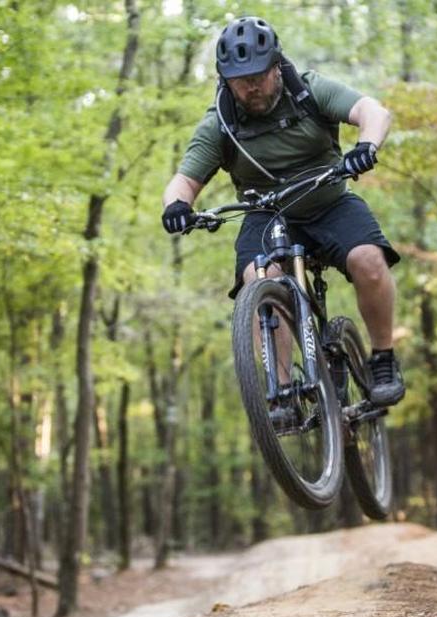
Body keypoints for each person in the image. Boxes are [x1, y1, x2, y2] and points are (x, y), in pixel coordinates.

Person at [160, 16, 404, 408]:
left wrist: (366, 146)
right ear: (226, 80)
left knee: (368, 260)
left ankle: (383, 360)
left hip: (329, 201)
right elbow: (183, 181)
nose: (251, 86)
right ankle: (283, 390)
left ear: (276, 66)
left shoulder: (307, 91)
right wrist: (176, 205)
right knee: (260, 277)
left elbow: (373, 112)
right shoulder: (220, 124)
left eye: (258, 75)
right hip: (267, 214)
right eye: (241, 80)